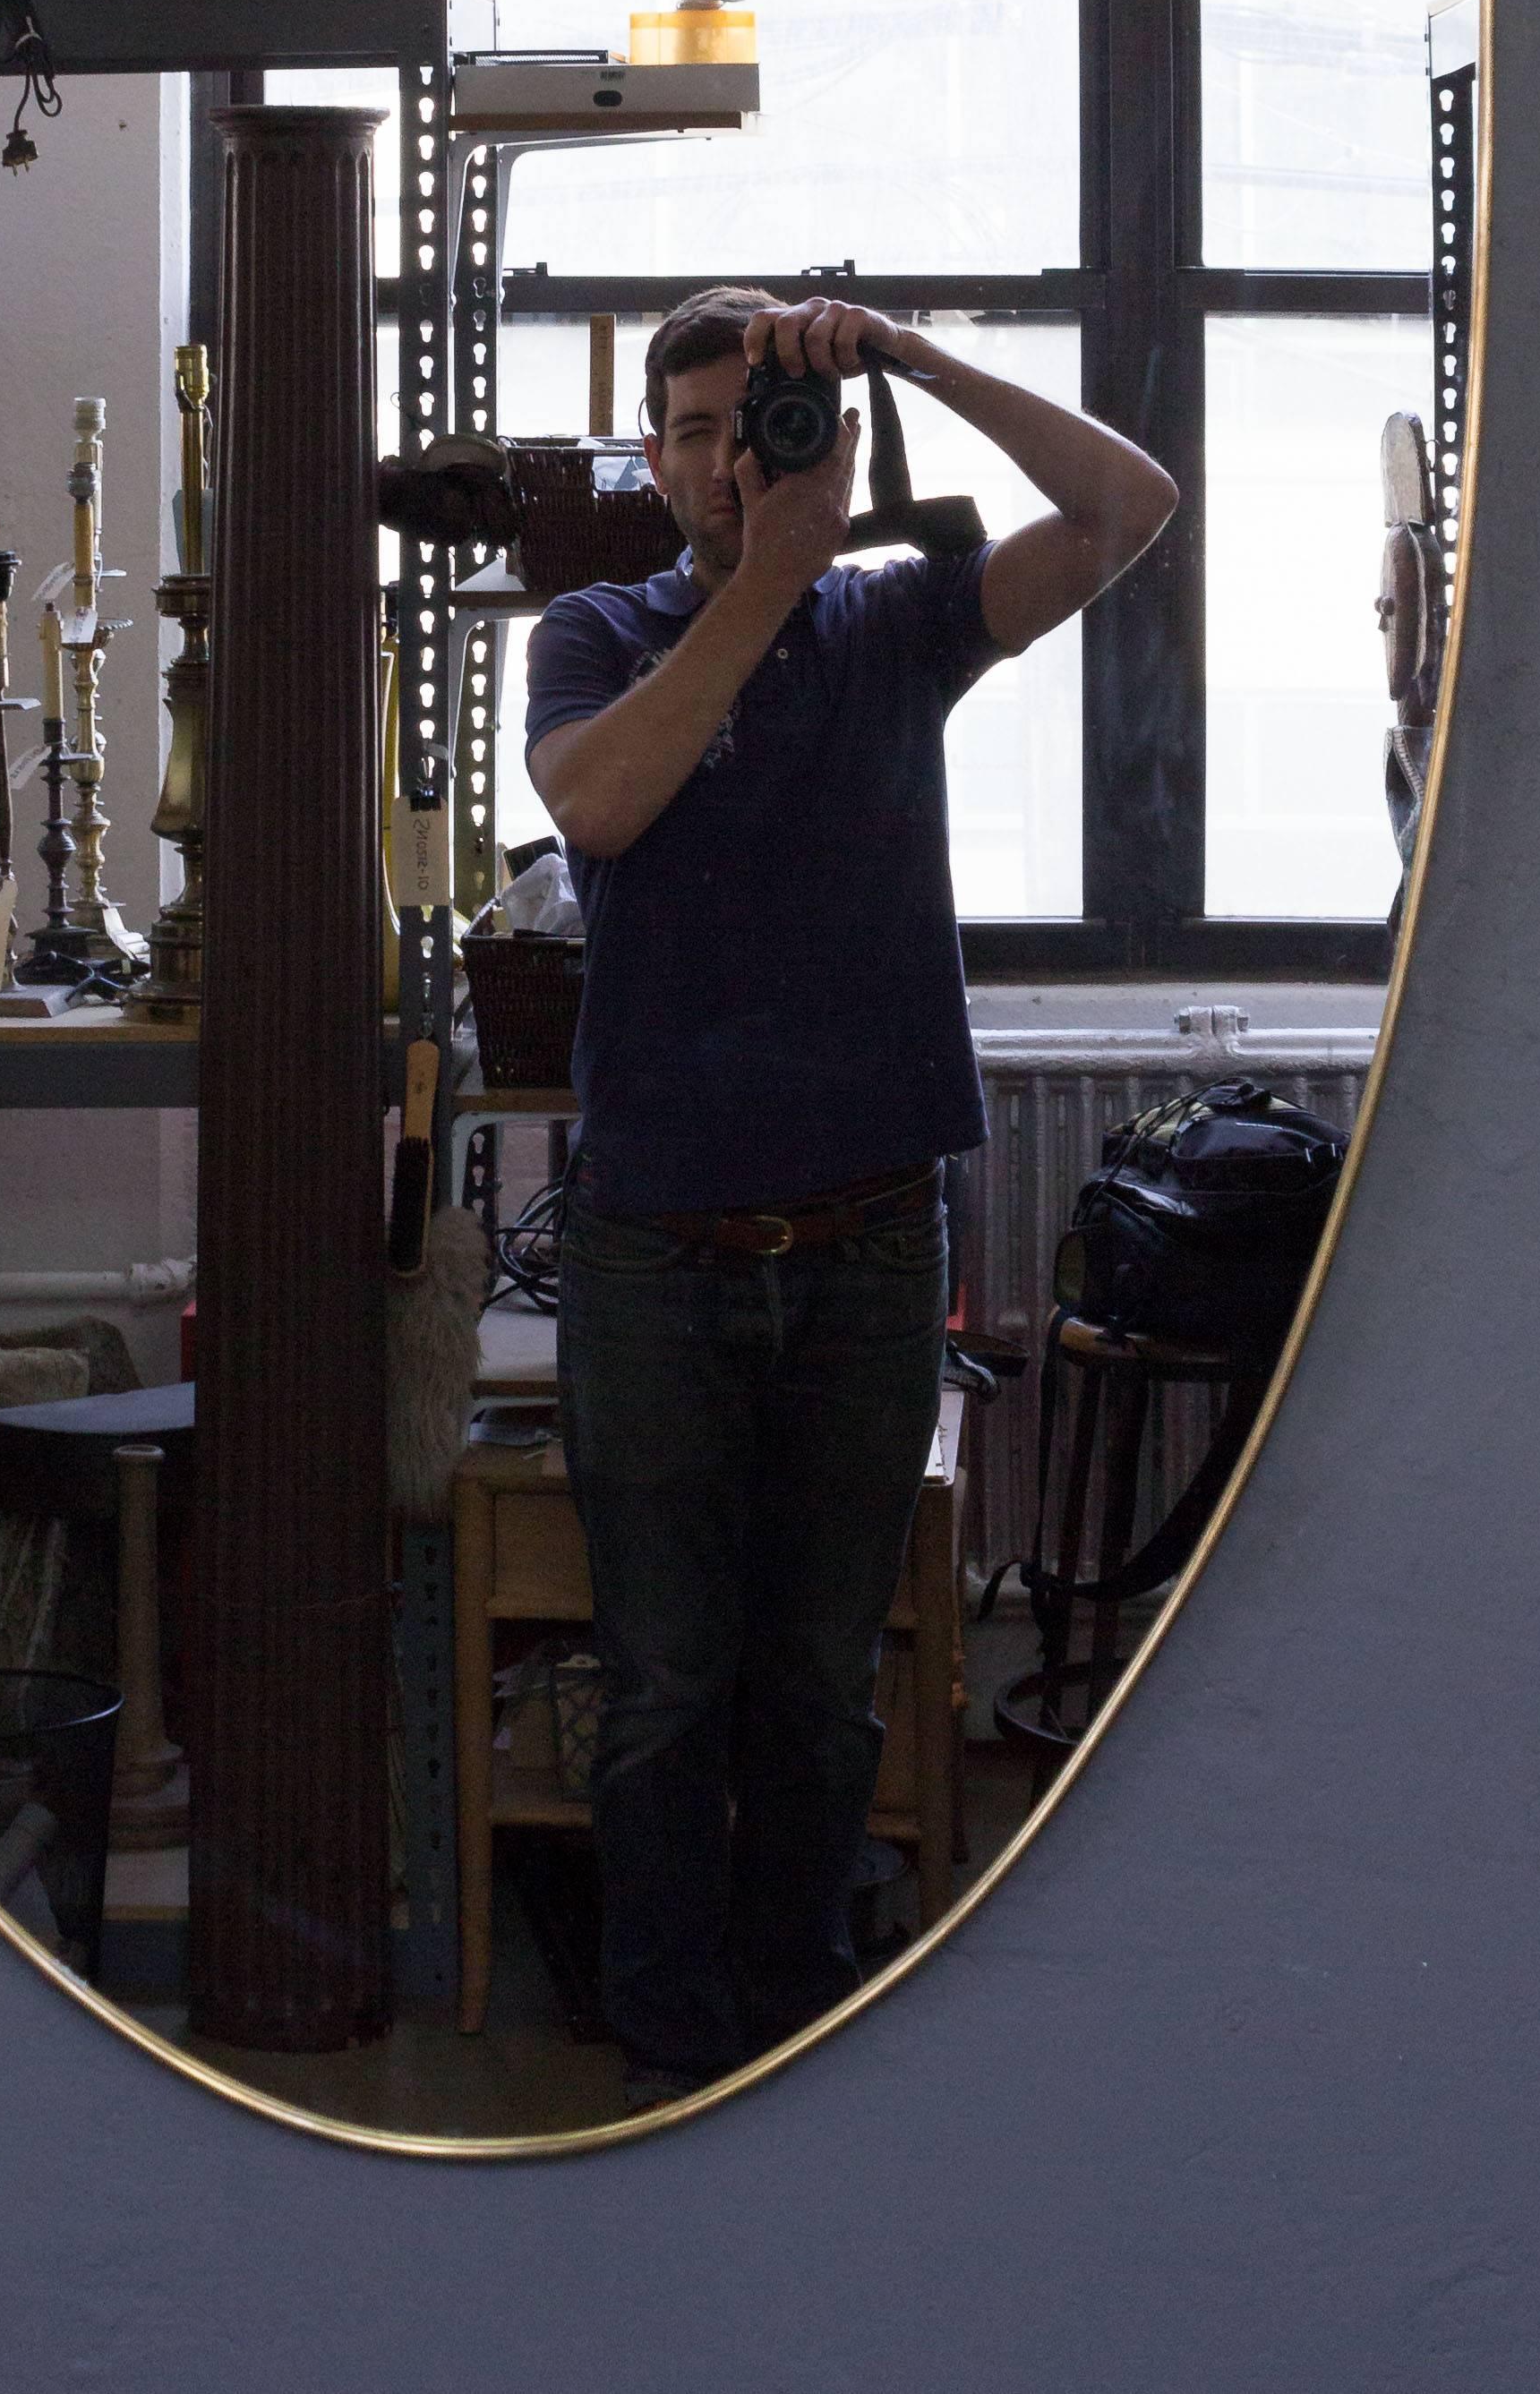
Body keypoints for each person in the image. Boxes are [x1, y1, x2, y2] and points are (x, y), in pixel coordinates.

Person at [524, 284, 1176, 2101]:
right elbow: (599, 811)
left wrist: (913, 356)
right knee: (664, 1685)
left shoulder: (896, 623)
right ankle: (670, 2055)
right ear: (653, 461)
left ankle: (798, 2040)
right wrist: (763, 574)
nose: (738, 462)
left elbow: (1133, 509)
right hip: (658, 1249)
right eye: (701, 434)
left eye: (769, 421)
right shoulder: (596, 629)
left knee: (819, 1688)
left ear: (832, 436)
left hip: (876, 1240)